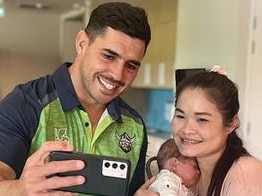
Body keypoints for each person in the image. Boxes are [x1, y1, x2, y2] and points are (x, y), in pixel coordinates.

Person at [0, 2, 151, 195]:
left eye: (131, 66)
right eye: (109, 56)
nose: (118, 75)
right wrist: (18, 188)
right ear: (82, 43)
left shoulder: (135, 126)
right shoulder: (25, 104)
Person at [136, 68, 262, 196]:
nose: (186, 129)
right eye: (180, 116)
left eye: (202, 119)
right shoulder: (185, 176)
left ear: (231, 123)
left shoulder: (246, 175)